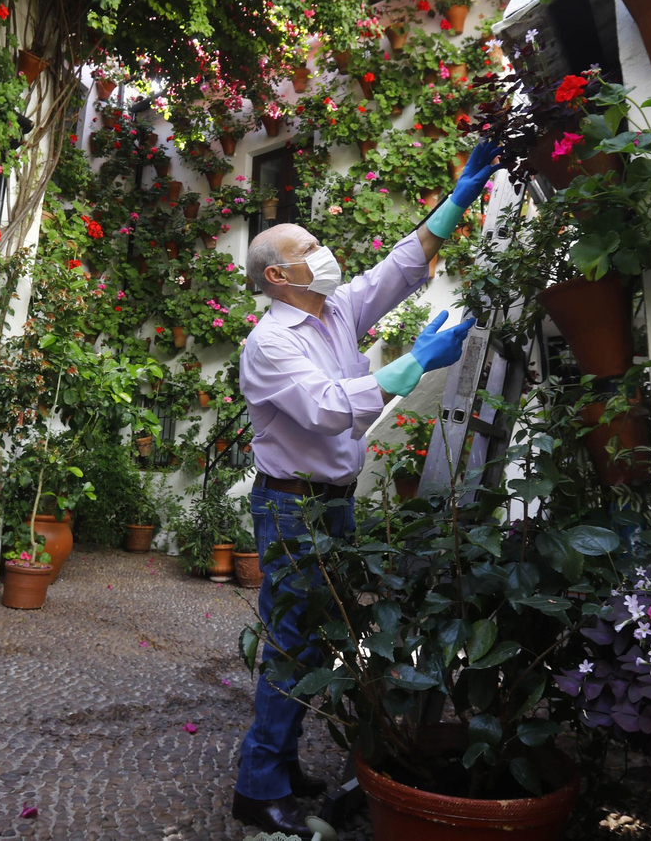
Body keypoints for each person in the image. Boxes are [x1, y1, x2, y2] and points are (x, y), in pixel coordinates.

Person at [230, 138, 502, 837]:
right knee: (293, 644)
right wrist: (414, 364)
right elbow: (323, 409)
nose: (327, 255)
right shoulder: (270, 343)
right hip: (293, 508)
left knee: (318, 640)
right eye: (311, 248)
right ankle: (257, 788)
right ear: (278, 275)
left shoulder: (334, 310)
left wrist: (459, 197)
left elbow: (400, 268)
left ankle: (282, 766)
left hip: (330, 506)